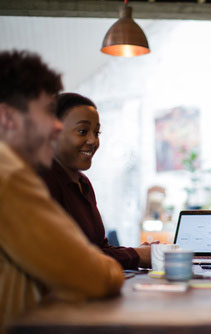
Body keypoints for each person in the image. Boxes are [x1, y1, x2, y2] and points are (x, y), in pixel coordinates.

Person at [0, 50, 124, 329]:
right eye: (46, 113)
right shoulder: (10, 175)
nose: (56, 126)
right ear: (8, 117)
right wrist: (109, 267)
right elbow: (90, 274)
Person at [38, 93, 151, 270]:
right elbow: (72, 257)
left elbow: (99, 249)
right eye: (83, 131)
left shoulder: (83, 183)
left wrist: (139, 252)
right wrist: (137, 256)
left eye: (96, 132)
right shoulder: (42, 182)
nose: (93, 141)